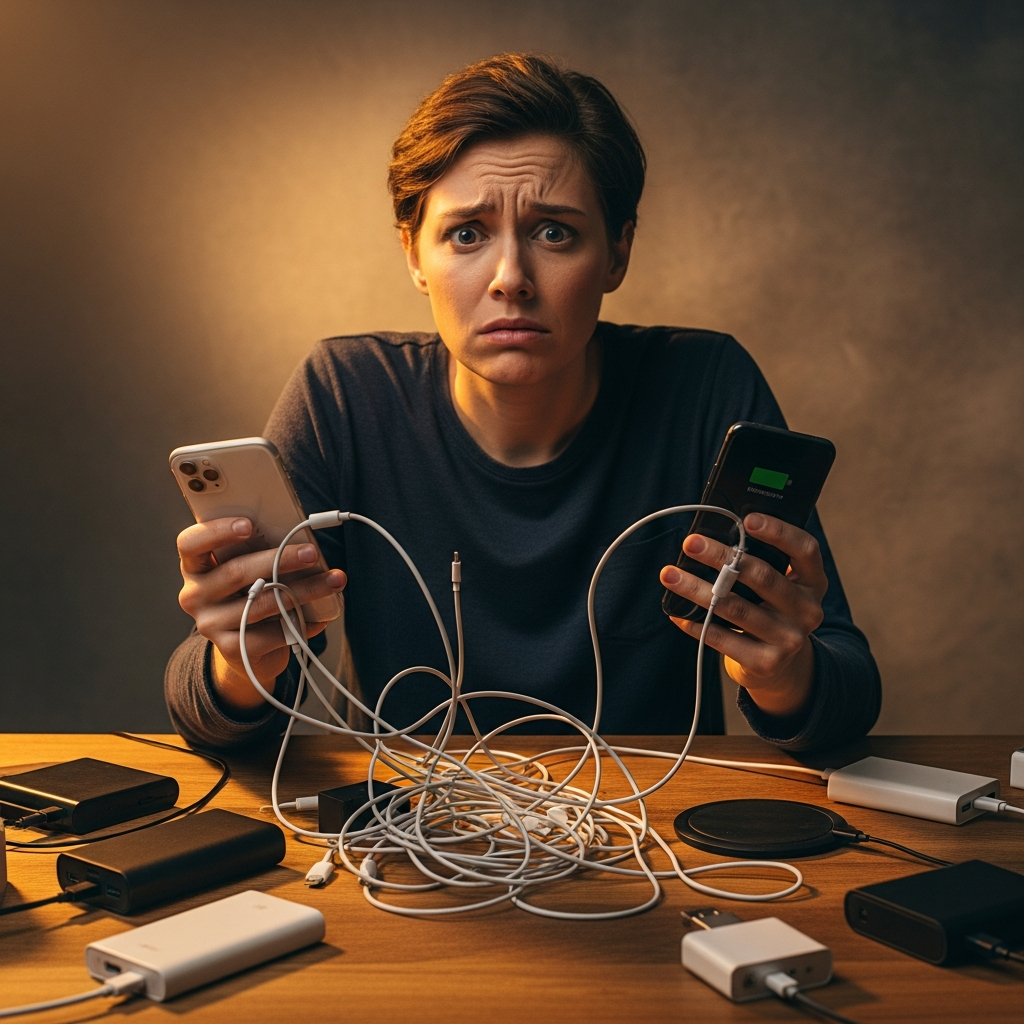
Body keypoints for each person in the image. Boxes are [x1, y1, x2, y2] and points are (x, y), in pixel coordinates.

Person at [165, 53, 880, 752]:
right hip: (415, 832)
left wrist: (785, 672)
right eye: (467, 234)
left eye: (554, 232)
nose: (511, 277)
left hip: (645, 831)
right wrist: (238, 665)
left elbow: (845, 692)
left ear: (618, 253)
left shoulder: (703, 387)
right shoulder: (344, 397)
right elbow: (207, 713)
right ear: (414, 253)